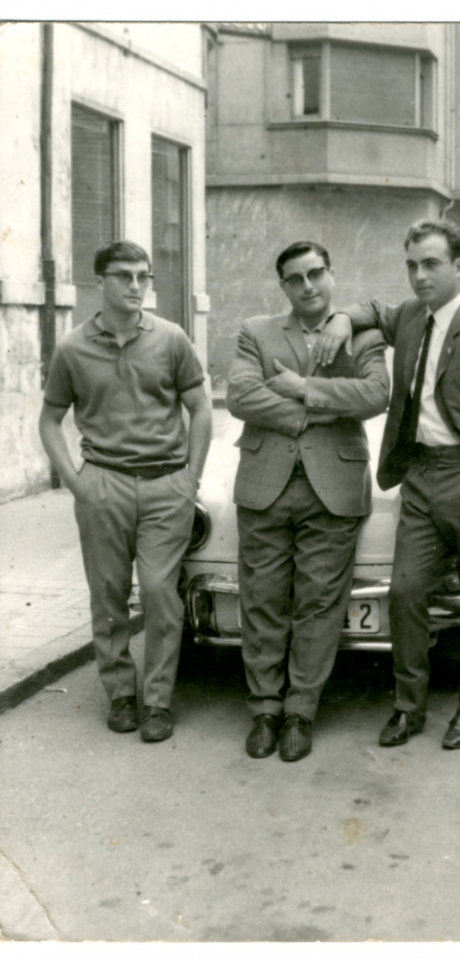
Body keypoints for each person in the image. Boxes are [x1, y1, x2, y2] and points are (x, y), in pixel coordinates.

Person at [314, 219, 460, 750]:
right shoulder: (412, 317)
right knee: (405, 593)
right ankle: (408, 707)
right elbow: (376, 310)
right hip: (420, 479)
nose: (419, 276)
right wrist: (343, 317)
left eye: (431, 264)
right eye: (412, 265)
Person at [39, 240, 212, 743]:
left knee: (160, 593)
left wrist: (191, 477)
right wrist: (76, 483)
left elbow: (201, 409)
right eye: (124, 276)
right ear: (100, 281)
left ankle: (157, 701)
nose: (137, 286)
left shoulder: (172, 338)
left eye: (143, 276)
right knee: (108, 593)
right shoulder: (73, 348)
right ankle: (120, 694)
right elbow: (50, 420)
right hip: (103, 484)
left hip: (166, 484)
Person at [226, 240, 389, 762]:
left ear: (331, 274)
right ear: (283, 286)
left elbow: (375, 395)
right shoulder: (256, 331)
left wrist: (302, 387)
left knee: (319, 603)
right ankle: (264, 710)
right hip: (265, 483)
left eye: (316, 273)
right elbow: (240, 396)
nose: (307, 286)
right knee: (262, 600)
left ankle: (300, 711)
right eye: (295, 278)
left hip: (333, 487)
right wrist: (313, 413)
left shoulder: (362, 336)